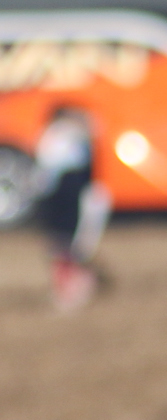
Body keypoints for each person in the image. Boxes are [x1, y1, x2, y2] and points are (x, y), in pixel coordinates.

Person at [30, 107, 102, 314]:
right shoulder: (72, 136)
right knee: (68, 250)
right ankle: (73, 289)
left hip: (64, 198)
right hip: (68, 197)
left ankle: (72, 290)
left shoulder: (56, 136)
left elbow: (45, 174)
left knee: (65, 250)